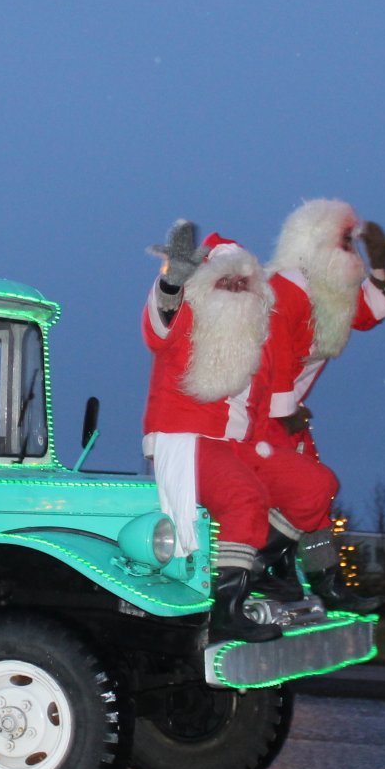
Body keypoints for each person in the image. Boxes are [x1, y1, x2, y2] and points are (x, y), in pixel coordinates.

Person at [250, 199, 385, 608]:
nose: (352, 253)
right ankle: (258, 564)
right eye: (346, 243)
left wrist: (380, 266)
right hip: (257, 416)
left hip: (284, 415)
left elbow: (367, 312)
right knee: (312, 488)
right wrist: (286, 411)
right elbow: (273, 353)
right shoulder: (283, 289)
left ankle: (322, 582)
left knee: (312, 499)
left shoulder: (324, 291)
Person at [141, 223, 281, 643]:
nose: (236, 290)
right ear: (206, 285)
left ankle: (276, 577)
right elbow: (159, 325)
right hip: (186, 437)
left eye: (244, 282)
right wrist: (171, 282)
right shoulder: (191, 317)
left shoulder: (255, 337)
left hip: (235, 445)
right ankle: (227, 609)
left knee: (300, 487)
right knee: (245, 498)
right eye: (226, 281)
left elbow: (260, 404)